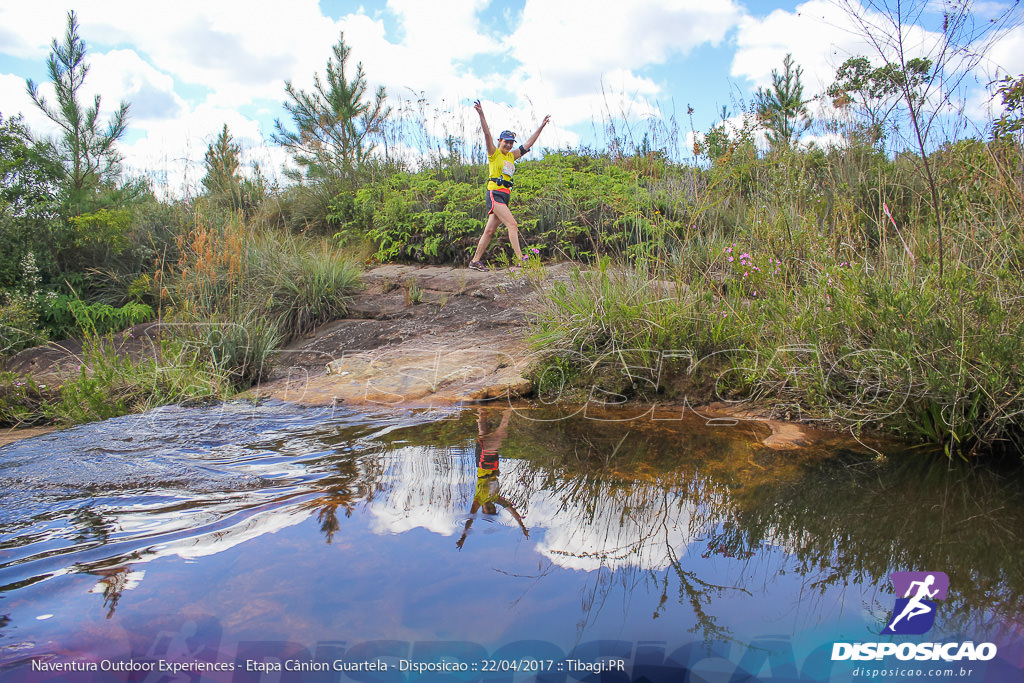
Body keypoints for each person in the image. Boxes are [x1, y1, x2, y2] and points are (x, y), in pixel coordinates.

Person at [468, 100, 550, 271]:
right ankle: (521, 259)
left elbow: (527, 145)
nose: (509, 145)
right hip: (495, 194)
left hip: (505, 196)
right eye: (506, 142)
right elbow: (487, 135)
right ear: (500, 141)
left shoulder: (512, 156)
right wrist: (481, 114)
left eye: (511, 142)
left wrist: (541, 127)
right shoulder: (494, 154)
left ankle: (475, 261)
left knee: (489, 232)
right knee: (512, 225)